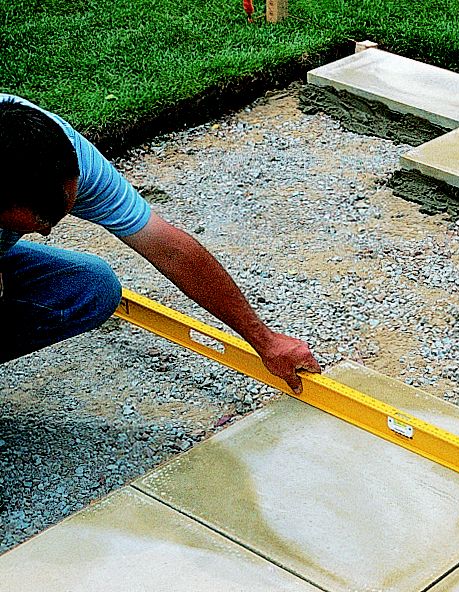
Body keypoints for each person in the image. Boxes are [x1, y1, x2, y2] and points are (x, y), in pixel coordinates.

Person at [0, 95, 321, 393]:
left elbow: (170, 248)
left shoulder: (61, 153)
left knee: (94, 286)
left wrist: (265, 340)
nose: (45, 234)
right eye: (38, 224)